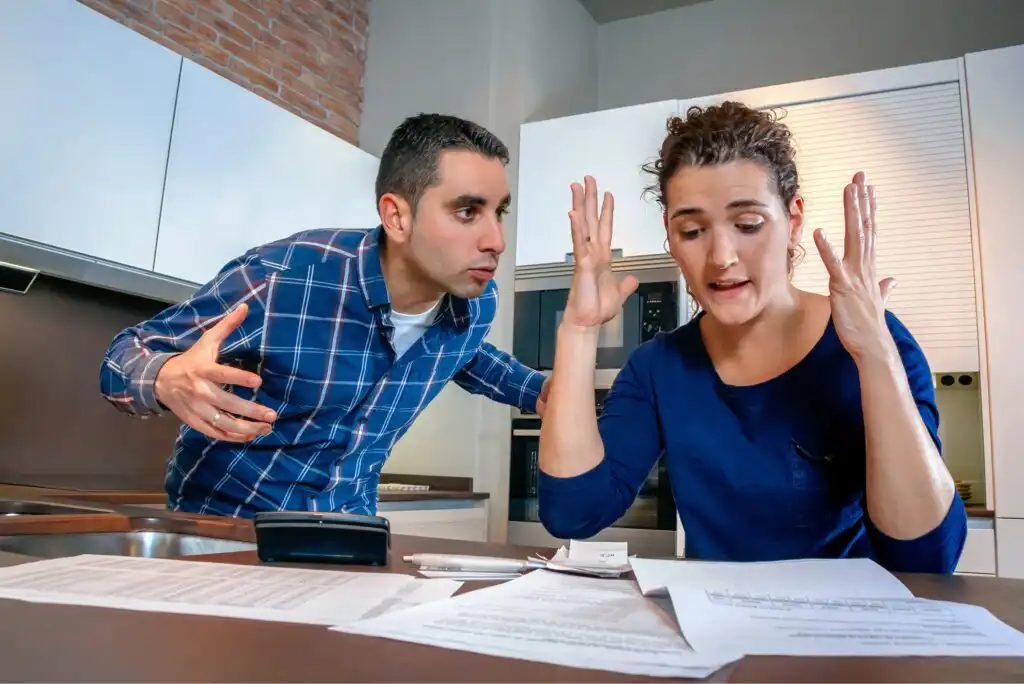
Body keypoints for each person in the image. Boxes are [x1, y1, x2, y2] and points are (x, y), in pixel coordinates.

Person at [537, 102, 966, 574]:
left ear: (794, 219)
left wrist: (874, 355)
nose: (721, 256)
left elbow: (929, 558)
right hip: (713, 631)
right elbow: (573, 512)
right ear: (670, 235)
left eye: (747, 225)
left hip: (847, 634)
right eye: (693, 230)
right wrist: (578, 330)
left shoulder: (873, 340)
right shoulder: (659, 367)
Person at [100, 113, 548, 518]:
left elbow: (466, 352)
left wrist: (538, 391)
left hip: (349, 526)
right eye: (468, 211)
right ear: (396, 217)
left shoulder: (474, 301)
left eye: (499, 212)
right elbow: (125, 355)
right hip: (225, 525)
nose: (496, 241)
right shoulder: (285, 277)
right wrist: (165, 376)